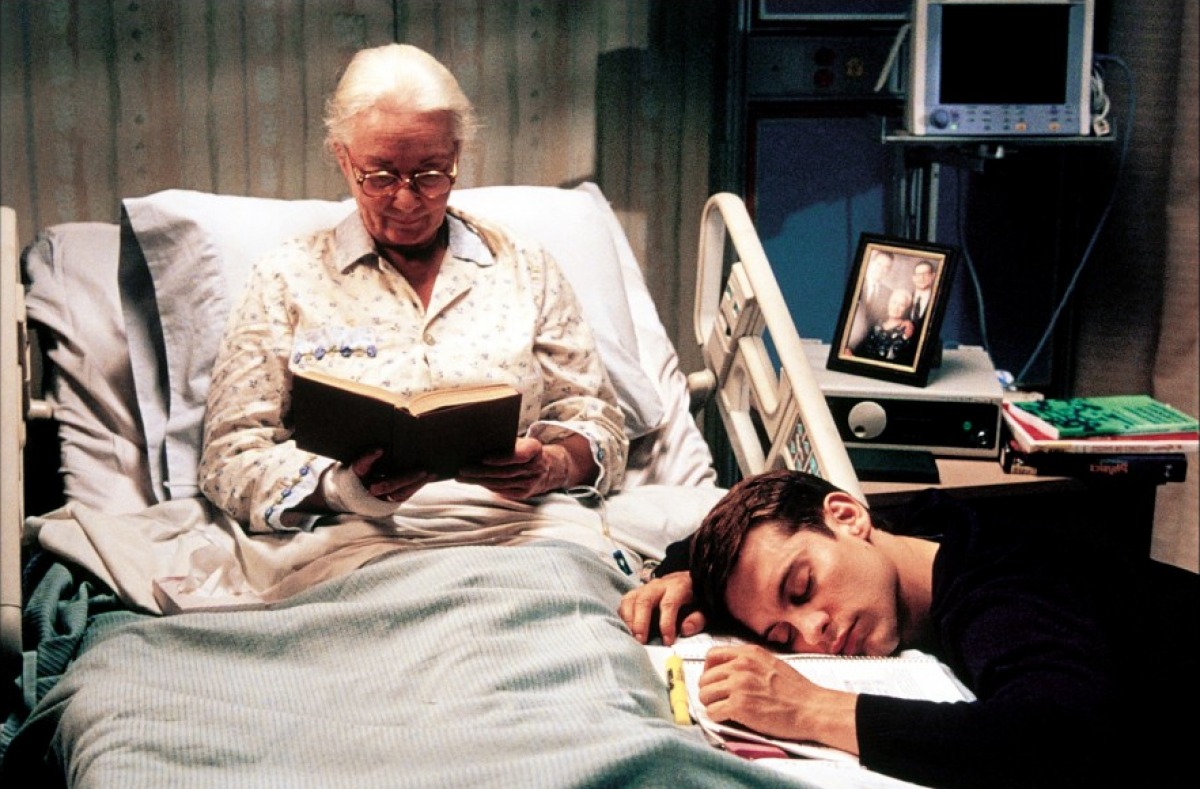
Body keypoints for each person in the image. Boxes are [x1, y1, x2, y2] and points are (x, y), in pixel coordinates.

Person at [199, 44, 627, 533]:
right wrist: (341, 489)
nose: (406, 201)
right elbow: (228, 460)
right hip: (355, 538)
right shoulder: (286, 278)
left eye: (430, 174)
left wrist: (553, 465)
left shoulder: (524, 267)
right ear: (343, 159)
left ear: (457, 156)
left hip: (515, 530)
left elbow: (601, 424)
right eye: (380, 176)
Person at [619, 470, 1198, 789]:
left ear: (847, 516)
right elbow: (736, 543)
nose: (813, 631)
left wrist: (811, 709)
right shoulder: (919, 528)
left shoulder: (999, 592)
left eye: (803, 588)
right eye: (781, 637)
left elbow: (1053, 737)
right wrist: (686, 576)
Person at [852, 287, 916, 365]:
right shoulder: (877, 323)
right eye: (894, 302)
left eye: (901, 305)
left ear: (906, 309)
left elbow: (894, 357)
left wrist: (904, 338)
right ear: (889, 303)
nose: (896, 307)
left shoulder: (906, 329)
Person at [908, 259, 935, 335]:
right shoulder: (906, 298)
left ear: (933, 276)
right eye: (918, 274)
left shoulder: (938, 299)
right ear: (913, 278)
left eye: (926, 274)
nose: (922, 278)